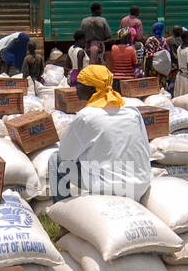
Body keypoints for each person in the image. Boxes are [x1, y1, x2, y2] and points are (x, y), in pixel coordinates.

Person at [54, 63, 152, 201]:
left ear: (91, 88)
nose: (76, 88)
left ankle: (61, 213)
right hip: (141, 185)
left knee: (55, 160)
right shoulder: (132, 111)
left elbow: (65, 155)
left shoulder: (86, 116)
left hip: (108, 187)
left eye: (79, 84)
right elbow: (147, 150)